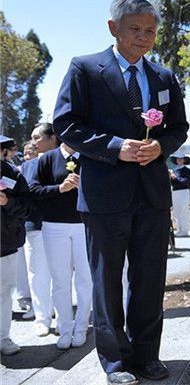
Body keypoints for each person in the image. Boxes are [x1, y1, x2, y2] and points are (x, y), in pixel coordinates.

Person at [53, 0, 188, 384]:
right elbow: (67, 124)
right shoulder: (85, 69)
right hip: (103, 197)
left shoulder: (163, 76)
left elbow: (179, 128)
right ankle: (115, 361)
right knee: (107, 281)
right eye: (135, 30)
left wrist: (161, 145)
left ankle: (148, 356)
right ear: (113, 28)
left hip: (152, 196)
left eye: (151, 31)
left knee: (150, 279)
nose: (144, 37)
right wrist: (115, 148)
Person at [30, 143, 92, 350]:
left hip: (85, 225)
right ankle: (64, 329)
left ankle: (82, 327)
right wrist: (60, 188)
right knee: (60, 281)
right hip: (53, 226)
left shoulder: (89, 155)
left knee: (85, 280)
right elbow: (34, 190)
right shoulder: (48, 158)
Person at [21, 123, 60, 337]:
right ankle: (42, 318)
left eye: (37, 138)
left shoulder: (65, 160)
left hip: (63, 225)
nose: (33, 143)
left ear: (52, 137)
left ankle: (63, 315)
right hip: (35, 225)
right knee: (37, 274)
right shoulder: (28, 166)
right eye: (32, 138)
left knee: (61, 275)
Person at [1, 135, 31, 355]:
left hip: (5, 242)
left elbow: (27, 206)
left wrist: (7, 202)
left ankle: (3, 337)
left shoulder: (12, 174)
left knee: (4, 292)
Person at [169, 152, 190, 237]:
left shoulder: (186, 170)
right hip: (175, 191)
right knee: (177, 211)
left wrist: (176, 178)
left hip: (184, 191)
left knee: (184, 211)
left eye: (181, 159)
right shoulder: (174, 170)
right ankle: (179, 229)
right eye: (178, 159)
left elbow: (186, 181)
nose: (179, 161)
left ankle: (185, 230)